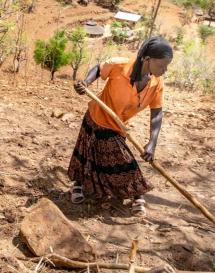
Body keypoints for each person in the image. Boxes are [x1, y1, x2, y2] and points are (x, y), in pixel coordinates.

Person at [68, 36, 173, 217]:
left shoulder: (156, 84)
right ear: (147, 59)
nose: (165, 70)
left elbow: (157, 113)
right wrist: (85, 83)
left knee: (119, 161)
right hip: (95, 118)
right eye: (162, 65)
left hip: (117, 126)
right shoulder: (120, 66)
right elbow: (99, 69)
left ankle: (135, 194)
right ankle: (79, 185)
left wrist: (152, 143)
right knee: (86, 155)